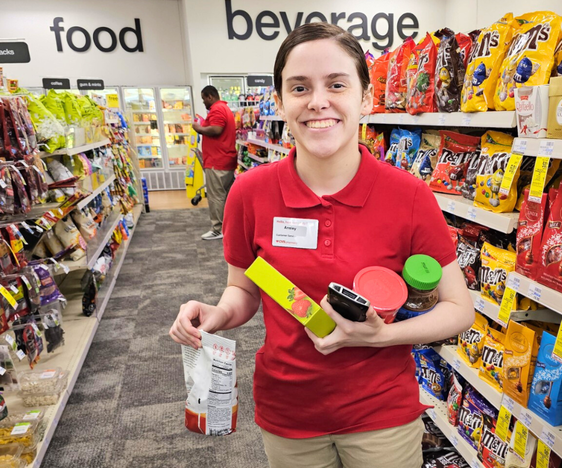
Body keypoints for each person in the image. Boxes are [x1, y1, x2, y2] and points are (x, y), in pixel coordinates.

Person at [170, 23, 474, 468]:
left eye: (336, 84)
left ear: (366, 98)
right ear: (279, 102)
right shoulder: (249, 193)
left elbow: (459, 310)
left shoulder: (409, 196)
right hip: (289, 411)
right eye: (299, 87)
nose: (318, 101)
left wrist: (382, 336)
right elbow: (244, 288)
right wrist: (219, 314)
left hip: (381, 414)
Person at [193, 85, 237, 240]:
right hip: (225, 159)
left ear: (210, 96)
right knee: (225, 196)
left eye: (204, 98)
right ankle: (228, 227)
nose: (204, 102)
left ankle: (217, 229)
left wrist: (198, 128)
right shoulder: (225, 109)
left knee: (216, 196)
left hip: (217, 161)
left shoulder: (217, 109)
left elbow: (217, 129)